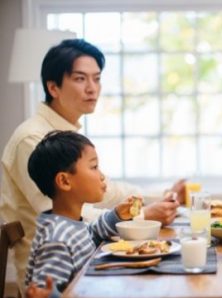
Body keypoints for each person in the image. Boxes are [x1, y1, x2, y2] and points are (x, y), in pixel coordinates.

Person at [0, 39, 185, 292]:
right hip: (56, 277)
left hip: (84, 266)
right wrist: (141, 216)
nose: (92, 88)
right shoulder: (33, 139)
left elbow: (107, 191)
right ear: (53, 87)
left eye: (96, 79)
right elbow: (64, 210)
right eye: (80, 79)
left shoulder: (65, 135)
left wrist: (159, 195)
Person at [24, 130, 138, 295]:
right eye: (94, 167)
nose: (102, 176)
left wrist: (116, 216)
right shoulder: (57, 240)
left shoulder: (70, 224)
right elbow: (43, 291)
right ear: (64, 181)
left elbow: (91, 233)